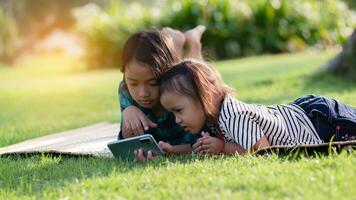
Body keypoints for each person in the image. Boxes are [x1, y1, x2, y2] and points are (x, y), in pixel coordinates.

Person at [159, 59, 356, 155]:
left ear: (205, 97)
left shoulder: (233, 117)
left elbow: (263, 152)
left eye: (179, 110)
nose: (177, 119)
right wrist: (172, 150)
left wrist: (223, 148)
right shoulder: (214, 120)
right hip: (303, 113)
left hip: (320, 121)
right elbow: (197, 147)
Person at [118, 25, 206, 161]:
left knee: (194, 74)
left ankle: (193, 42)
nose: (142, 93)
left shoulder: (180, 91)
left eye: (153, 83)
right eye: (134, 83)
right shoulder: (125, 90)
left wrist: (173, 151)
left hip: (186, 82)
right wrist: (127, 111)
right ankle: (175, 42)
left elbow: (201, 141)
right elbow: (125, 141)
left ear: (166, 75)